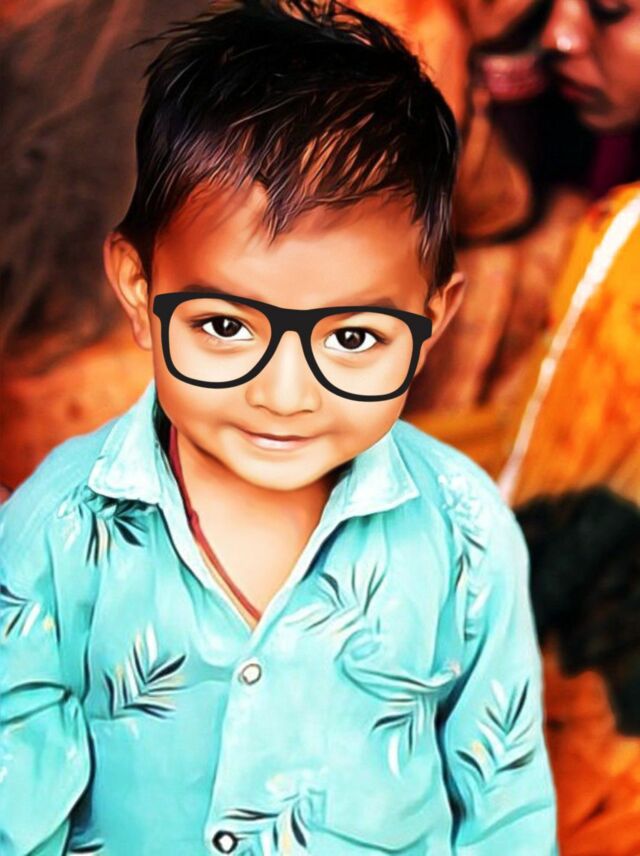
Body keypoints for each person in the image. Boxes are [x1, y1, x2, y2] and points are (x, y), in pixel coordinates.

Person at [0, 1, 558, 854]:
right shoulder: (59, 530)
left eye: (354, 338)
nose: (286, 394)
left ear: (432, 320)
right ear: (140, 291)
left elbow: (503, 808)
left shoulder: (466, 534)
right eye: (225, 326)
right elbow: (17, 802)